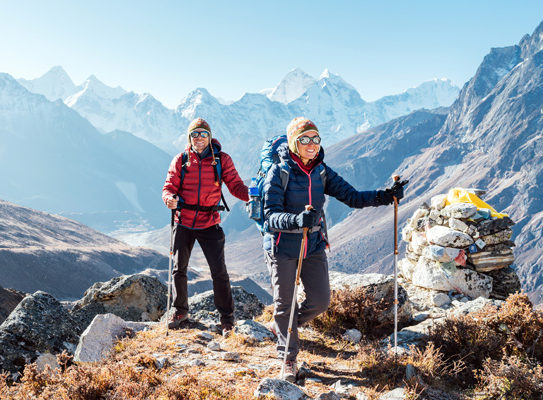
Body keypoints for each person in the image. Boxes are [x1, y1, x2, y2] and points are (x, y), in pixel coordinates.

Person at [263, 117, 407, 382]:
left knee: (320, 301)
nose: (311, 144)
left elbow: (352, 196)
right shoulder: (279, 172)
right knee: (286, 305)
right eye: (305, 139)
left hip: (313, 245)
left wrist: (384, 196)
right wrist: (296, 221)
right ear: (294, 143)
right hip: (283, 248)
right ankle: (288, 359)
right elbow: (270, 216)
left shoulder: (321, 171)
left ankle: (282, 327)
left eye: (315, 139)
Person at [162, 117, 249, 335]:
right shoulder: (181, 160)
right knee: (178, 270)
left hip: (210, 222)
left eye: (203, 134)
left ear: (209, 137)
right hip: (183, 221)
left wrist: (252, 195)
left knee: (219, 272)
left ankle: (227, 318)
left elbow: (235, 185)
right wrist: (169, 198)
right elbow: (169, 186)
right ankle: (180, 311)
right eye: (194, 134)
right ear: (189, 137)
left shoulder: (221, 160)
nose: (199, 138)